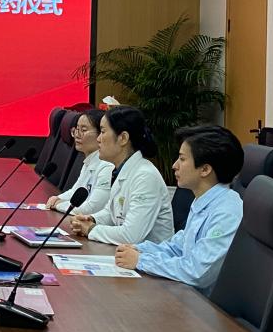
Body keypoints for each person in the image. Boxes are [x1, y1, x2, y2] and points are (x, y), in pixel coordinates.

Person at [115, 125, 244, 292]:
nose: (174, 165)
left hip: (203, 304)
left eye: (182, 159)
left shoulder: (227, 212)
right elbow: (178, 247)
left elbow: (198, 272)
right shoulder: (204, 200)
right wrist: (138, 249)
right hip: (186, 294)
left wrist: (141, 261)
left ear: (205, 169)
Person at [70, 106, 174, 245]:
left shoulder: (145, 176)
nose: (98, 139)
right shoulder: (121, 169)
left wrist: (90, 229)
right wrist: (91, 219)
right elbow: (112, 213)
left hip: (146, 256)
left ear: (123, 138)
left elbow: (131, 235)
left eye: (103, 132)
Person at [46, 109, 113, 215]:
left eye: (83, 130)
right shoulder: (89, 160)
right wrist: (57, 198)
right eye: (76, 129)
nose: (77, 135)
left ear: (100, 134)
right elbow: (75, 191)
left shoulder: (107, 166)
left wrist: (58, 205)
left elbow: (92, 208)